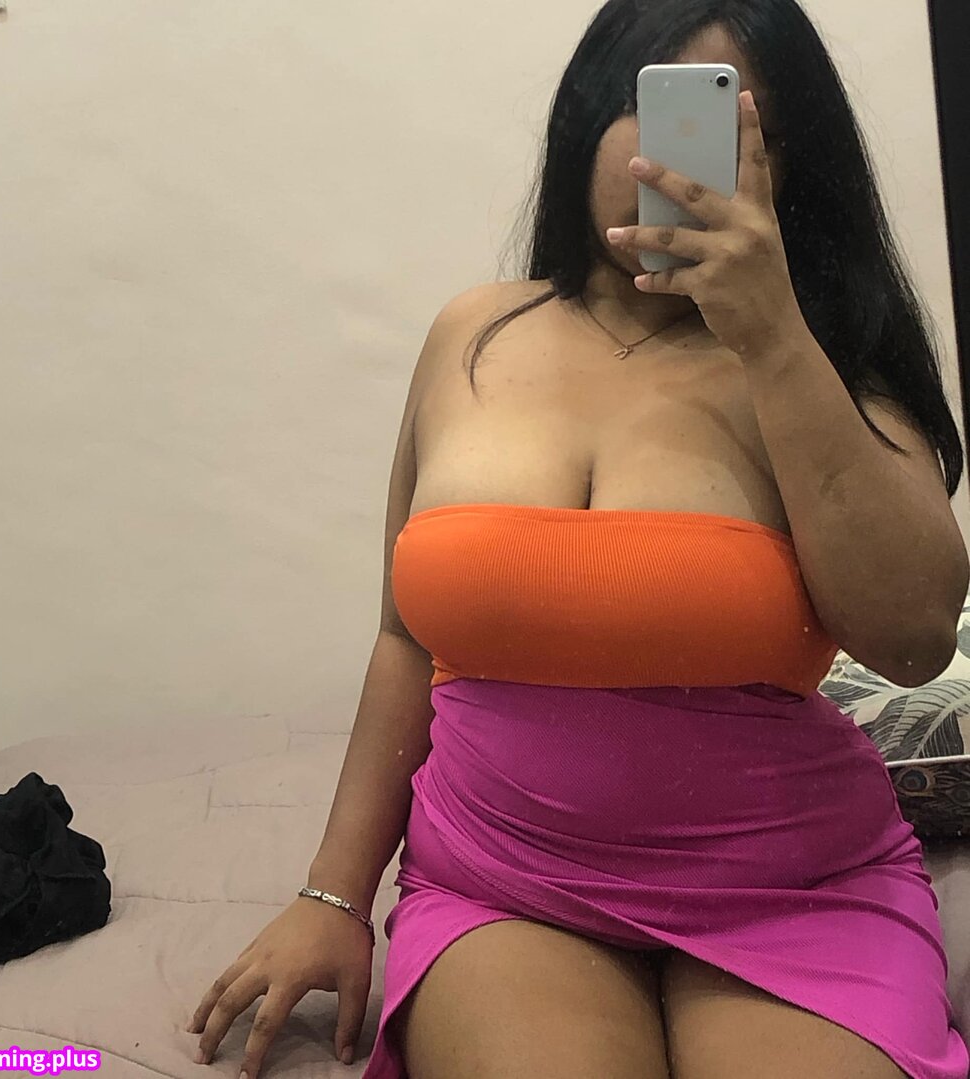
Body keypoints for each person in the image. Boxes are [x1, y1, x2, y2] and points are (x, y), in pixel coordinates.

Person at [186, 1, 970, 1076]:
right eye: (661, 107)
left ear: (795, 165)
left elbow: (914, 637)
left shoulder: (833, 354)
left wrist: (774, 335)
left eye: (744, 126)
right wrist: (333, 894)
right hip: (505, 883)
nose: (690, 157)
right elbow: (405, 639)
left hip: (795, 883)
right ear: (587, 116)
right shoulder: (472, 331)